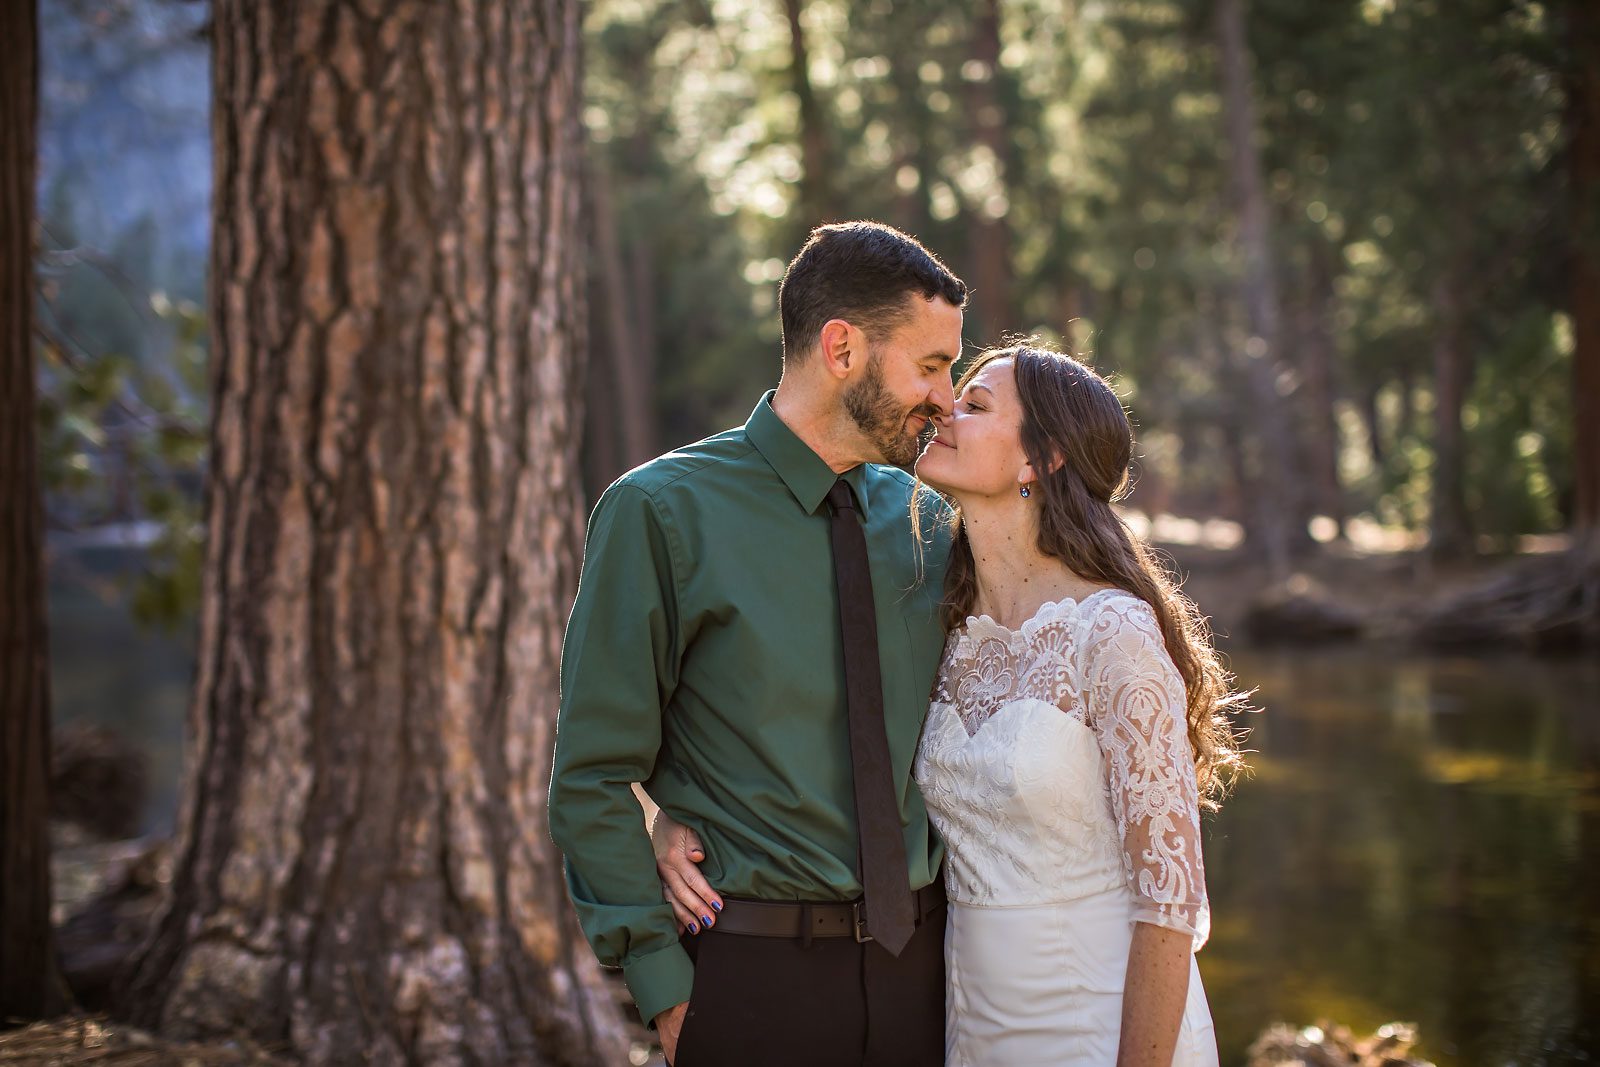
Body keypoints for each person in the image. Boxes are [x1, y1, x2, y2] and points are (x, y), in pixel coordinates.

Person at [659, 344, 1244, 1065]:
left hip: (1096, 1020)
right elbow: (803, 715)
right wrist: (686, 806)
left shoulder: (1112, 632)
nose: (944, 410)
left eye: (976, 404)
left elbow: (1170, 903)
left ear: (1043, 458)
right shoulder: (947, 624)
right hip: (968, 1020)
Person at [547, 220, 967, 1066]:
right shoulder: (660, 512)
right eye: (931, 365)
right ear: (842, 348)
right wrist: (661, 981)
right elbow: (592, 772)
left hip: (931, 976)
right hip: (751, 980)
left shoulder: (930, 519)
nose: (948, 398)